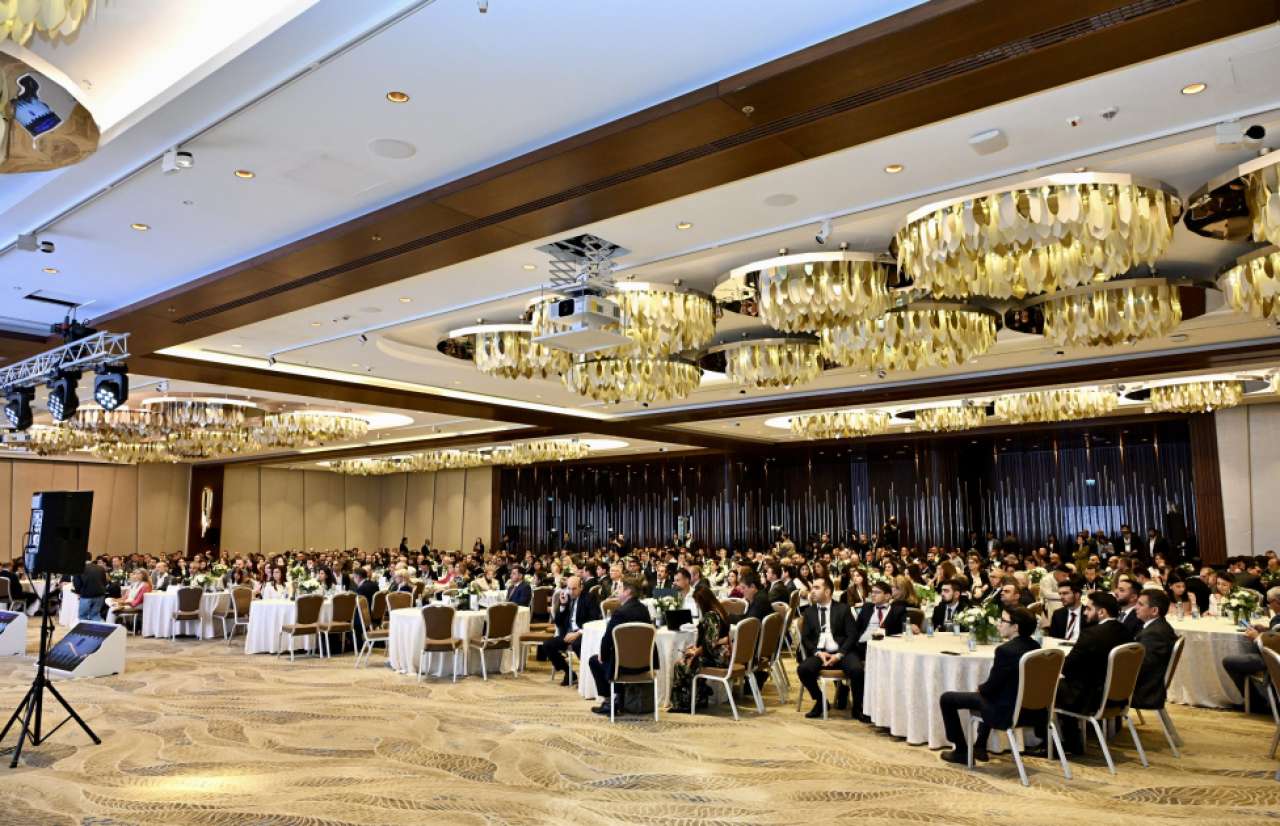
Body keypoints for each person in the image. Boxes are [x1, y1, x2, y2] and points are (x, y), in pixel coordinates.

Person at [939, 606, 1040, 764]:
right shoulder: (1035, 647)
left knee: (947, 699)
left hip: (1006, 713)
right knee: (987, 696)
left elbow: (992, 687)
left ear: (1015, 627)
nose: (999, 624)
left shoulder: (1005, 651)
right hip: (1030, 711)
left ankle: (960, 751)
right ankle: (979, 746)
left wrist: (981, 688)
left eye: (1003, 621)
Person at [1055, 591, 1131, 754]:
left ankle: (1061, 741)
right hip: (1116, 694)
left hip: (1089, 697)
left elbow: (1067, 666)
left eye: (1089, 609)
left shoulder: (1091, 635)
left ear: (1101, 612)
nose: (1084, 613)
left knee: (1044, 686)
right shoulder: (1125, 631)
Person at [795, 576, 859, 719]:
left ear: (828, 592)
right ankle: (821, 701)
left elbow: (852, 635)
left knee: (857, 670)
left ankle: (857, 708)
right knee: (803, 669)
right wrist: (817, 653)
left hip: (842, 652)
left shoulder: (843, 609)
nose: (812, 591)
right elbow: (806, 638)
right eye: (812, 588)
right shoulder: (809, 612)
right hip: (821, 653)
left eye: (817, 588)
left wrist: (839, 654)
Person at [588, 577, 652, 716]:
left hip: (622, 666)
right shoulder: (644, 610)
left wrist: (602, 655)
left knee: (595, 660)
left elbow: (607, 640)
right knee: (611, 658)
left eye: (620, 588)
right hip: (645, 664)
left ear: (628, 591)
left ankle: (609, 702)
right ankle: (618, 699)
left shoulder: (620, 613)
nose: (617, 590)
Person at [670, 588, 731, 711]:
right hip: (724, 656)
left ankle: (684, 703)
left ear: (703, 602)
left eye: (697, 602)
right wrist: (697, 649)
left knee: (680, 665)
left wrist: (695, 652)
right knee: (690, 660)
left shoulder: (710, 616)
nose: (697, 605)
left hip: (717, 658)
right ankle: (700, 695)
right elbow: (713, 640)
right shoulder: (720, 611)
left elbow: (710, 644)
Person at [1222, 586, 1280, 708]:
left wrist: (1257, 636)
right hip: (1273, 656)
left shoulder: (1278, 620)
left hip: (1273, 661)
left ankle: (1255, 703)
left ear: (1276, 602)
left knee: (1229, 662)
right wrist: (1266, 630)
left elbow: (1276, 644)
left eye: (1269, 603)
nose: (1269, 606)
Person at [541, 575, 600, 686]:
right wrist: (563, 605)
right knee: (547, 645)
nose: (571, 592)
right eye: (569, 588)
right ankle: (568, 672)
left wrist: (578, 633)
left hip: (582, 633)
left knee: (577, 645)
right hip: (567, 634)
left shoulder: (589, 598)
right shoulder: (566, 598)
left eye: (574, 589)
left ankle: (588, 676)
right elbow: (558, 622)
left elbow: (594, 619)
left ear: (581, 587)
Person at [1131, 590, 1178, 711]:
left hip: (1144, 692)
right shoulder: (1159, 627)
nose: (1135, 607)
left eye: (1140, 604)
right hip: (1148, 686)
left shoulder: (1154, 634)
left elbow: (1142, 667)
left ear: (1154, 611)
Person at [1047, 576, 1085, 642]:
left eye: (1065, 593)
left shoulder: (1089, 614)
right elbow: (1052, 638)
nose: (1061, 597)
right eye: (1060, 594)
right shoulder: (1058, 614)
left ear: (1077, 595)